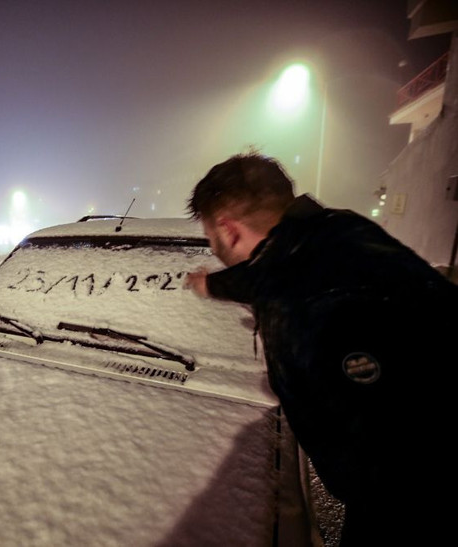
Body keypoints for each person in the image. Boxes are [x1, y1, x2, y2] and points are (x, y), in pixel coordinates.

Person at [183, 153, 456, 546]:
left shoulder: (319, 304)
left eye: (211, 238)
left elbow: (400, 461)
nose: (214, 248)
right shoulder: (332, 235)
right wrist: (210, 285)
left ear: (227, 228)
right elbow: (262, 274)